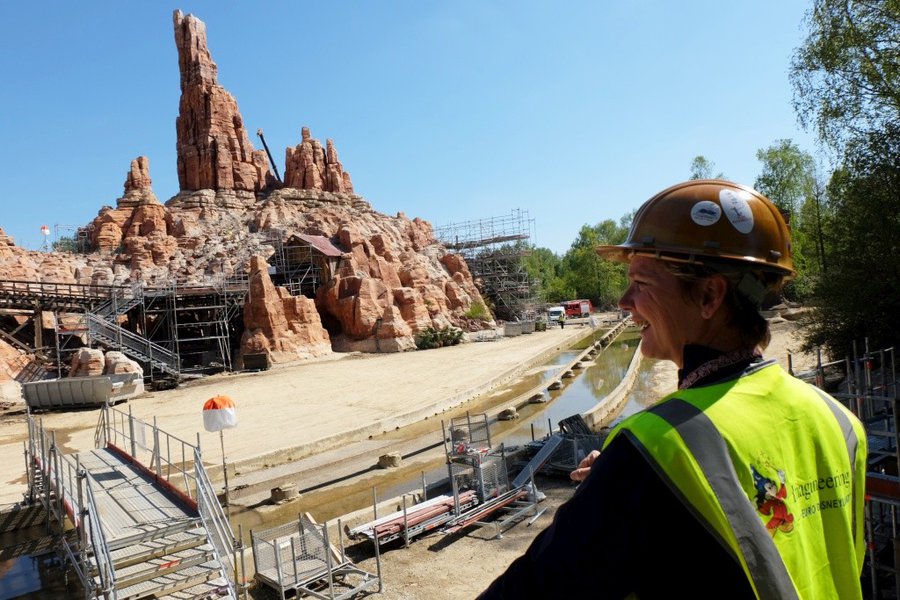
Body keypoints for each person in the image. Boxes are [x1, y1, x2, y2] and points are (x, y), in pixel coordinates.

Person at [478, 180, 867, 599]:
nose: (624, 301)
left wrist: (629, 479)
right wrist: (627, 482)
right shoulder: (839, 421)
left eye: (641, 283)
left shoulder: (656, 448)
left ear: (708, 295)